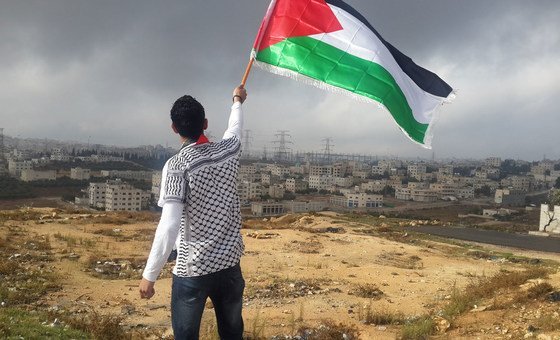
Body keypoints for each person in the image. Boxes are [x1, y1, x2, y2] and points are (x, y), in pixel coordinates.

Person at [139, 85, 248, 339]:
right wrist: (237, 101)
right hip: (230, 264)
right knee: (233, 333)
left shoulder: (177, 166)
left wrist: (149, 276)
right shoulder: (227, 152)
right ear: (206, 123)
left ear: (174, 129)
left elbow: (168, 226)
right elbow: (235, 128)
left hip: (193, 269)